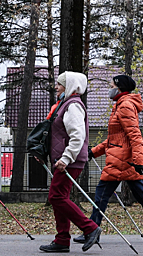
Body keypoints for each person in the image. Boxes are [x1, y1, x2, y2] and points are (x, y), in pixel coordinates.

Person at [73, 75, 143, 245]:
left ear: (120, 88)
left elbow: (135, 135)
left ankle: (91, 230)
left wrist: (138, 161)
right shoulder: (120, 105)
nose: (110, 88)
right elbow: (115, 139)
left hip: (121, 161)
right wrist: (94, 152)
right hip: (123, 158)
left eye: (112, 85)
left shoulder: (125, 105)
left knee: (101, 195)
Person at [38, 71, 101, 253]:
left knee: (56, 197)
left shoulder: (73, 106)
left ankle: (90, 228)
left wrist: (66, 158)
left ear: (70, 85)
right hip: (65, 158)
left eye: (60, 84)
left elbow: (77, 136)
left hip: (69, 160)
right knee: (60, 198)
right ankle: (62, 240)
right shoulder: (65, 104)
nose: (56, 87)